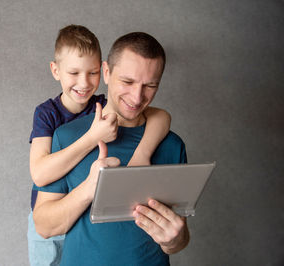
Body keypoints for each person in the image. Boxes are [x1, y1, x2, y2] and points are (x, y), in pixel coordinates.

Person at [33, 32, 190, 265]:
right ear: (106, 72)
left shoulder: (171, 145)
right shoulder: (67, 136)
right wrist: (90, 187)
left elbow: (180, 238)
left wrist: (173, 240)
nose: (137, 97)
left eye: (150, 85)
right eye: (127, 82)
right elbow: (44, 227)